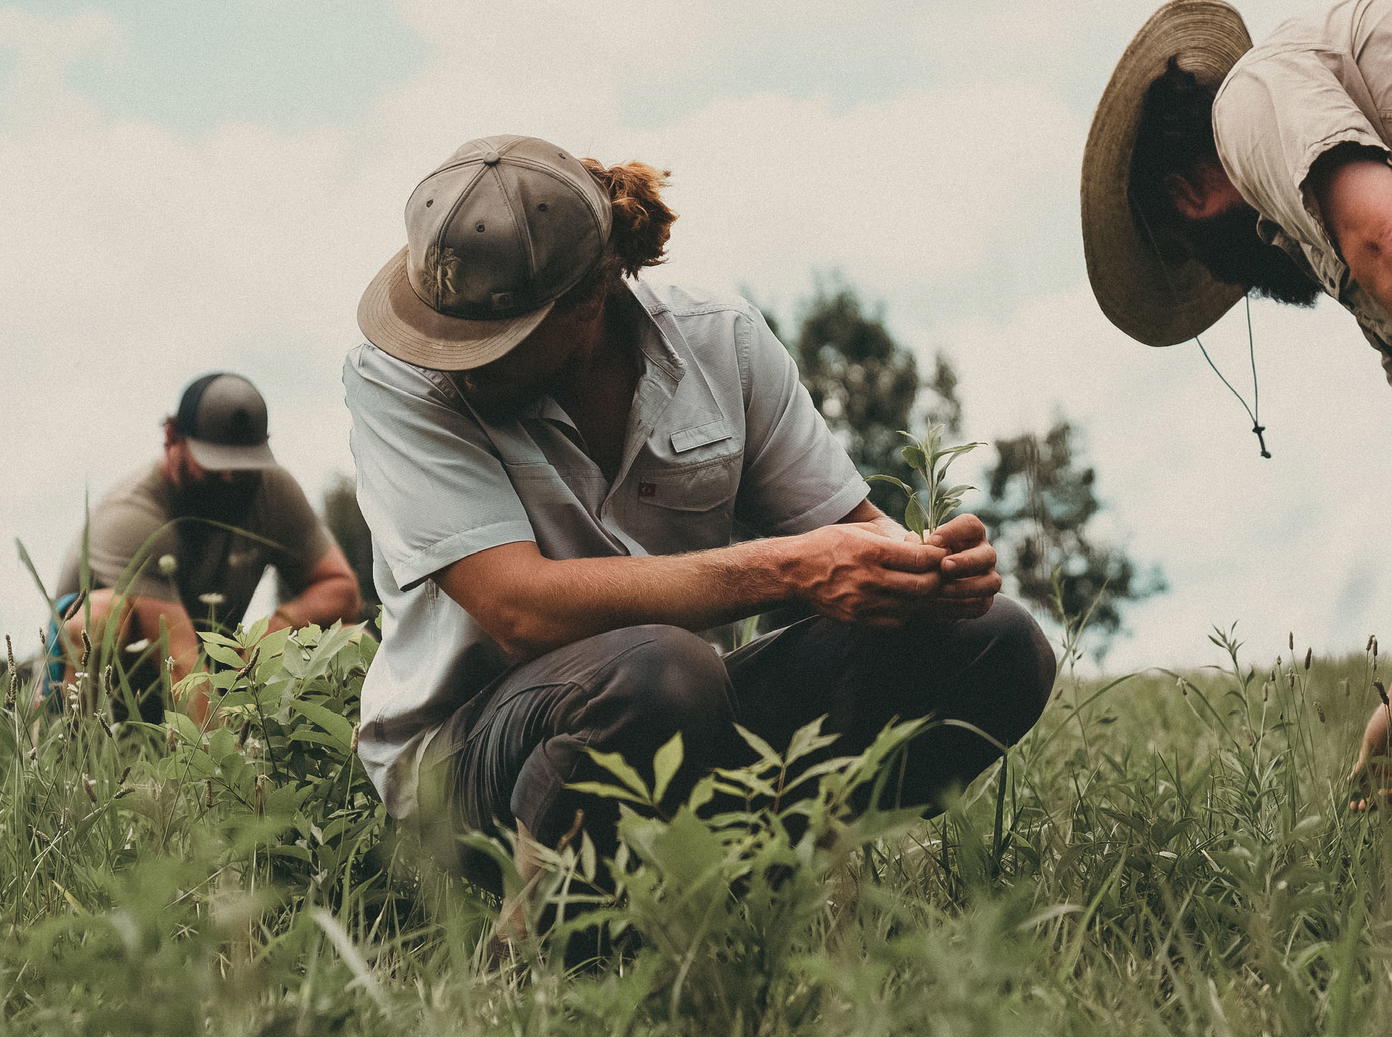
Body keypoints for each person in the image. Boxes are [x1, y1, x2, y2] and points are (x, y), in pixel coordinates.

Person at [343, 134, 1057, 940]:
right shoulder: (395, 378)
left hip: (681, 719)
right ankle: (542, 945)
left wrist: (927, 573)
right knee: (659, 669)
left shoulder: (722, 344)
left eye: (492, 339)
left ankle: (739, 883)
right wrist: (790, 568)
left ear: (590, 298)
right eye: (444, 329)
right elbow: (519, 608)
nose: (455, 359)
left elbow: (851, 539)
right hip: (468, 759)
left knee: (995, 643)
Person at [1082, 0, 1392, 803]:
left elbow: (1380, 237)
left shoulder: (1249, 105)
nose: (1231, 281)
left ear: (1187, 192)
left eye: (1199, 261)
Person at [52, 372, 361, 725]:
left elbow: (342, 590)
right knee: (101, 615)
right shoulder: (131, 514)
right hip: (129, 683)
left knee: (352, 640)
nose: (230, 477)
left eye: (243, 465)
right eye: (215, 463)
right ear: (172, 438)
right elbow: (182, 664)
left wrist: (272, 632)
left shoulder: (272, 490)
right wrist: (220, 771)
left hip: (213, 668)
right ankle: (74, 744)